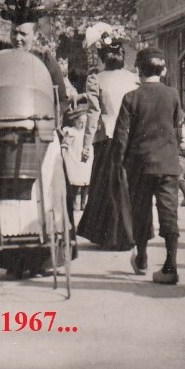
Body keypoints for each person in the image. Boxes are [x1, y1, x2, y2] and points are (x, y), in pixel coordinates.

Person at [0, 0, 71, 278]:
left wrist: (52, 121)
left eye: (23, 33)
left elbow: (60, 98)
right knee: (13, 200)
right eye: (14, 32)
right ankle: (14, 261)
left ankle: (43, 259)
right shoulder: (2, 61)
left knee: (46, 196)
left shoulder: (46, 61)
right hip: (10, 137)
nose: (18, 38)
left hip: (42, 134)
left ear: (35, 35)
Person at [107, 47, 185, 285]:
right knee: (169, 213)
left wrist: (119, 162)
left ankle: (141, 257)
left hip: (140, 164)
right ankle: (170, 266)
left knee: (141, 212)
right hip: (168, 164)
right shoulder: (172, 95)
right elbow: (178, 126)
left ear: (138, 70)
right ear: (163, 70)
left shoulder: (131, 97)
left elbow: (121, 135)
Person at [77, 37, 139, 250]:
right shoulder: (134, 79)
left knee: (108, 186)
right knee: (127, 184)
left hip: (108, 137)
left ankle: (111, 235)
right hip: (131, 137)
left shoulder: (96, 79)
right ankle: (130, 233)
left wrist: (86, 144)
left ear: (103, 57)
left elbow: (93, 114)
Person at [61, 98, 93, 229]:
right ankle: (74, 200)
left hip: (85, 158)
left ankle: (84, 202)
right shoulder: (71, 131)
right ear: (75, 121)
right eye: (80, 122)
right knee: (74, 180)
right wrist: (64, 155)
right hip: (74, 157)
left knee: (85, 179)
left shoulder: (87, 133)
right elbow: (65, 145)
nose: (82, 125)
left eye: (85, 123)